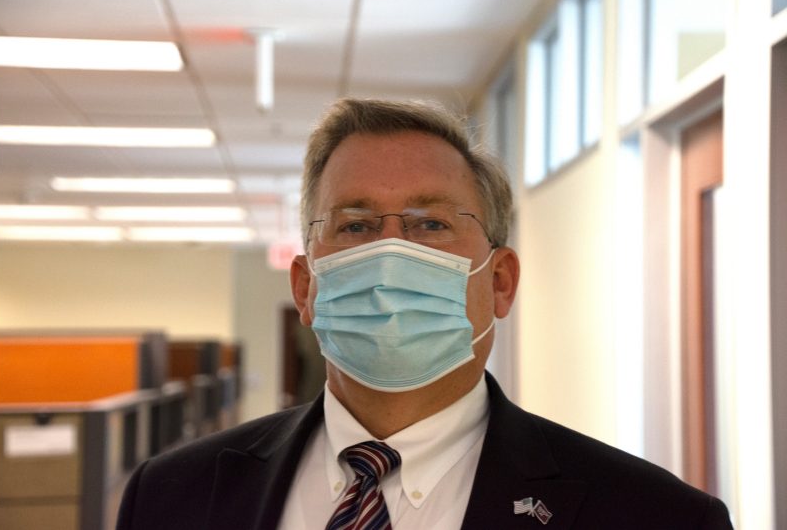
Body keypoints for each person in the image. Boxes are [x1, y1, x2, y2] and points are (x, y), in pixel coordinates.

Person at [116, 99, 733, 529]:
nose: (391, 254)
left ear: (500, 282)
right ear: (305, 288)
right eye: (355, 225)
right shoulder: (168, 497)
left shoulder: (657, 517)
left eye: (431, 224)